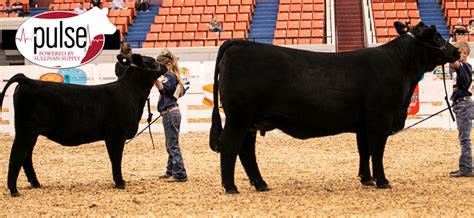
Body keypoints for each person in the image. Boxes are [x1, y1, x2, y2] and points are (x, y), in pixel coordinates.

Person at [154, 49, 188, 183]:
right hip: (170, 113)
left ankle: (180, 173)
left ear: (167, 65)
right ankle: (170, 171)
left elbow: (164, 89)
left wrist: (154, 78)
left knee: (172, 144)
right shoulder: (172, 76)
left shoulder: (170, 76)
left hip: (170, 113)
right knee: (170, 143)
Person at [449, 40, 473, 178]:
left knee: (464, 139)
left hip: (463, 105)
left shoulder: (464, 66)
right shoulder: (462, 67)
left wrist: (446, 54)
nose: (455, 56)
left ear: (464, 54)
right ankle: (467, 166)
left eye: (457, 53)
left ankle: (466, 168)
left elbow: (453, 62)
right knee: (464, 138)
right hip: (462, 104)